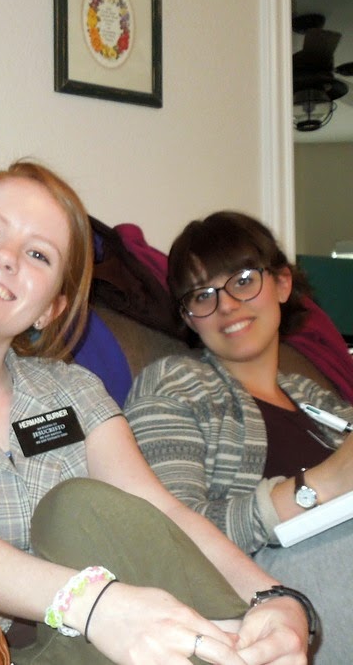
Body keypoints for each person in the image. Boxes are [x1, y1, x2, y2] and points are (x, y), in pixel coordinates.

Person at [0, 161, 313, 664]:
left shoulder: (75, 390)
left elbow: (161, 510)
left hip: (111, 642)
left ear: (51, 307)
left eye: (37, 254)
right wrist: (97, 606)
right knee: (73, 509)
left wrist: (276, 598)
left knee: (77, 510)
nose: (5, 257)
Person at [124, 211, 352, 664]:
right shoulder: (174, 384)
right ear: (189, 318)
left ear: (282, 284)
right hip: (269, 591)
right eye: (202, 295)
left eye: (243, 280)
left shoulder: (316, 398)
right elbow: (168, 540)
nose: (226, 305)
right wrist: (321, 484)